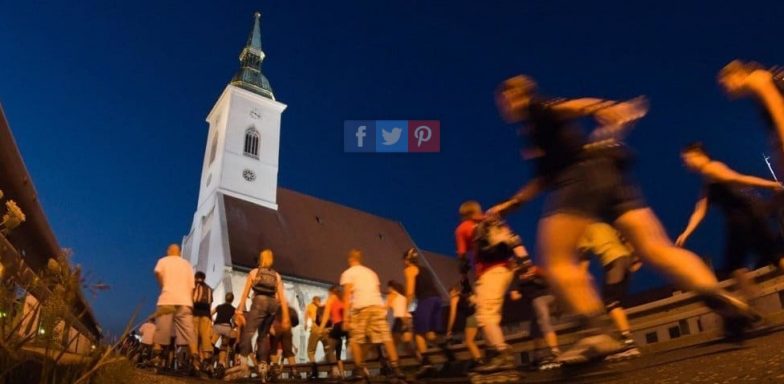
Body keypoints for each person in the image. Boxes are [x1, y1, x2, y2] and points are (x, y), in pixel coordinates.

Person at [489, 75, 758, 364]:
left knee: (556, 260)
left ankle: (596, 333)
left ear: (513, 94)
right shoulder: (538, 130)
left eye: (502, 100)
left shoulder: (536, 109)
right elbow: (544, 177)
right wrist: (514, 203)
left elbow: (566, 107)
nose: (502, 107)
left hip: (580, 177)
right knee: (657, 248)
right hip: (609, 176)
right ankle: (722, 301)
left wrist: (600, 107)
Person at [676, 142, 784, 299]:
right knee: (774, 256)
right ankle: (753, 302)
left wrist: (773, 184)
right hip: (748, 219)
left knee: (735, 266)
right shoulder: (708, 179)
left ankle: (752, 306)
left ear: (698, 155)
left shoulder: (713, 168)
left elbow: (740, 178)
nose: (685, 163)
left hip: (743, 220)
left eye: (686, 159)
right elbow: (700, 209)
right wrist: (686, 233)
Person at [468, 216, 530, 374]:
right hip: (500, 271)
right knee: (488, 316)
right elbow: (516, 242)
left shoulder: (487, 227)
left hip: (494, 270)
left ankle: (502, 354)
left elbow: (510, 241)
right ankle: (497, 353)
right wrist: (524, 262)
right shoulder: (499, 227)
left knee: (486, 314)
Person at [577, 222, 642, 358]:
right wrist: (635, 258)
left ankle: (628, 342)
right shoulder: (604, 224)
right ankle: (622, 339)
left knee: (611, 302)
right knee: (616, 303)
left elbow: (584, 258)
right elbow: (624, 238)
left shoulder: (583, 230)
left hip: (613, 262)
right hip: (625, 259)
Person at [340, 249, 406, 382]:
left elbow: (347, 296)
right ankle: (397, 368)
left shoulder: (348, 273)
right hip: (377, 306)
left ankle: (359, 371)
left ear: (350, 259)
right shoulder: (371, 273)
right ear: (360, 259)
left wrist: (346, 317)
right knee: (385, 337)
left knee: (356, 341)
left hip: (361, 308)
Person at [232, 249, 290, 382]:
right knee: (263, 335)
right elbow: (282, 297)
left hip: (259, 302)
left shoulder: (254, 272)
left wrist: (240, 311)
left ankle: (243, 365)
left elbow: (245, 293)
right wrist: (286, 316)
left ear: (261, 259)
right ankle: (263, 367)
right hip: (273, 305)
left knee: (248, 332)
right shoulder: (276, 275)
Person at [718, 61, 784, 172]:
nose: (726, 91)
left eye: (725, 84)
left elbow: (778, 109)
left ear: (736, 74)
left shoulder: (755, 79)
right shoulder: (756, 88)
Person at [403, 248, 452, 377]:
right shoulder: (425, 269)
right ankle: (446, 349)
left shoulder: (409, 269)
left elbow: (410, 292)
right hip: (437, 299)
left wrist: (406, 310)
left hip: (425, 300)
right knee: (430, 334)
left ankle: (426, 364)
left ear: (407, 261)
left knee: (418, 333)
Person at [151, 244, 200, 371]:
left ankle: (157, 358)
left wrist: (164, 285)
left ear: (168, 251)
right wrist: (190, 303)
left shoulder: (163, 260)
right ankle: (195, 359)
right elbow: (192, 287)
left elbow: (157, 273)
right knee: (189, 333)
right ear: (180, 252)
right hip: (185, 302)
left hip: (167, 299)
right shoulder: (187, 264)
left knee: (161, 330)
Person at [508, 263, 562, 370]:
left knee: (544, 323)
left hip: (538, 299)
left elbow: (514, 296)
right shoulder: (533, 266)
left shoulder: (515, 276)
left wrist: (520, 294)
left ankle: (555, 351)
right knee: (535, 325)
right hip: (552, 296)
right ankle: (538, 355)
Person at [445, 284, 482, 368]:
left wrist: (449, 330)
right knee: (471, 340)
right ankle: (478, 360)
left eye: (450, 293)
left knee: (469, 341)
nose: (450, 295)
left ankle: (479, 360)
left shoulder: (454, 299)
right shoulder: (465, 296)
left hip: (471, 318)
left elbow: (452, 315)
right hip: (478, 315)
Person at [317, 285, 347, 378]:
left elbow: (326, 316)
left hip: (338, 326)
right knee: (338, 355)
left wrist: (321, 328)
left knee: (329, 350)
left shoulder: (331, 299)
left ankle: (335, 370)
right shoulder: (342, 299)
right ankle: (342, 374)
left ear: (331, 292)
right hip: (345, 327)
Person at [455, 200, 483, 292]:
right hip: (504, 266)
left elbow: (462, 256)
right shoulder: (489, 221)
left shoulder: (462, 229)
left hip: (483, 268)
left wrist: (464, 280)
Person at [268, 305, 300, 380]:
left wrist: (270, 327)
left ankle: (275, 371)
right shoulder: (288, 308)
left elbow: (269, 318)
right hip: (287, 329)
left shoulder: (273, 306)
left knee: (273, 350)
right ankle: (294, 371)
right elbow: (295, 320)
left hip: (277, 327)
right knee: (288, 351)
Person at [305, 296, 332, 380]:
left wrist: (305, 324)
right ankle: (331, 370)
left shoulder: (310, 306)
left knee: (310, 351)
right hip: (325, 329)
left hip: (315, 328)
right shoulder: (324, 307)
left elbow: (306, 316)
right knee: (328, 349)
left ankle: (314, 371)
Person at [387, 280, 414, 356]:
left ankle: (394, 364)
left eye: (388, 288)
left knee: (392, 344)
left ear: (391, 287)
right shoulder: (402, 296)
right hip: (408, 319)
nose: (387, 290)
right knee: (408, 343)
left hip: (400, 319)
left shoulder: (392, 295)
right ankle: (423, 361)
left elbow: (386, 308)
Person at [192, 271, 214, 363]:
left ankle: (195, 360)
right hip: (206, 316)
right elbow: (210, 304)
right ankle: (205, 360)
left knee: (194, 337)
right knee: (205, 338)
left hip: (195, 314)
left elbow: (191, 301)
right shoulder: (209, 289)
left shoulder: (194, 286)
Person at [211, 292, 236, 374]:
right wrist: (233, 326)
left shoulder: (219, 307)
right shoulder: (233, 309)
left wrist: (214, 321)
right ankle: (221, 364)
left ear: (225, 298)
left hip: (217, 326)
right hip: (227, 328)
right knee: (224, 346)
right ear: (232, 300)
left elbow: (210, 313)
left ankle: (208, 362)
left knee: (212, 344)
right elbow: (234, 320)